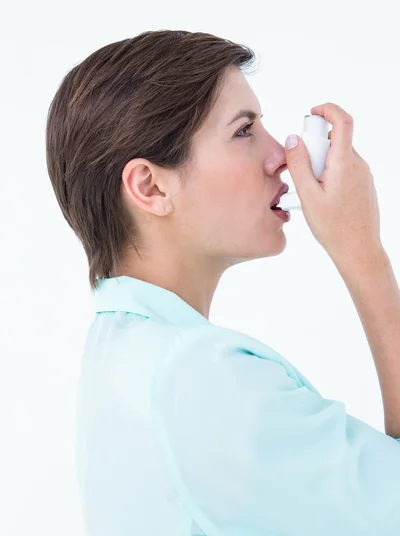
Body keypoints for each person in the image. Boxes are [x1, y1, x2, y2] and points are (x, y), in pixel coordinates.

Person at [46, 30, 400, 536]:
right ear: (150, 186)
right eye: (243, 131)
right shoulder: (199, 378)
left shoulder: (123, 347)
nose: (281, 155)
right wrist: (364, 254)